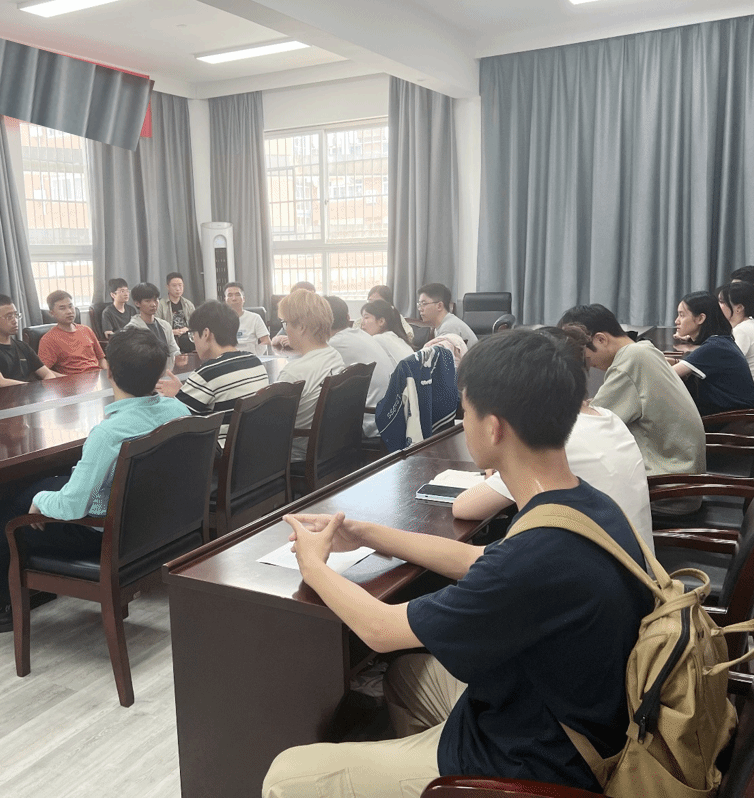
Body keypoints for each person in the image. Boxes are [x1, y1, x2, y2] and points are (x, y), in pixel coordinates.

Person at [263, 329, 650, 797]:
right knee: (406, 677)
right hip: (576, 715)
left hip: (535, 762)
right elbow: (478, 560)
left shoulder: (533, 558)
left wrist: (314, 566)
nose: (462, 423)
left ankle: (457, 784)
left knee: (286, 774)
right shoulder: (586, 505)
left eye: (465, 411)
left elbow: (380, 629)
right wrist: (364, 532)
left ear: (494, 428)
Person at [0, 329, 189, 637]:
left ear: (109, 371)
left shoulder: (109, 434)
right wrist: (40, 495)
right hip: (154, 525)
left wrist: (41, 502)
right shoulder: (177, 410)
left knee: (16, 522)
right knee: (28, 492)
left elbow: (73, 507)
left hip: (106, 534)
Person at [452, 325, 654, 552]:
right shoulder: (608, 417)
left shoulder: (551, 441)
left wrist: (501, 462)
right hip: (633, 564)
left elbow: (464, 508)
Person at [558, 304, 705, 516]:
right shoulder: (643, 350)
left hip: (666, 490)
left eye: (582, 354)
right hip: (682, 481)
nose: (585, 363)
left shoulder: (629, 362)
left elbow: (589, 425)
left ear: (600, 339)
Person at [157, 301, 269, 443]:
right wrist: (182, 392)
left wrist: (174, 397)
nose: (194, 341)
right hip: (255, 448)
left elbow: (174, 419)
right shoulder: (255, 362)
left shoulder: (207, 373)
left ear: (206, 333)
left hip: (221, 454)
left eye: (193, 334)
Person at [276, 290, 346, 459]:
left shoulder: (293, 373)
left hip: (297, 456)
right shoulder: (334, 355)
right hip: (330, 450)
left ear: (301, 327)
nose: (285, 330)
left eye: (285, 324)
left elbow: (274, 429)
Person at [672, 291, 754, 415]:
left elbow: (668, 375)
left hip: (729, 419)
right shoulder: (720, 341)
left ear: (700, 318)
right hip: (733, 414)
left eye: (682, 315)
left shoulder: (714, 347)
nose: (677, 321)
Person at [325, 296, 394, 437]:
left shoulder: (334, 344)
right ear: (348, 317)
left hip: (371, 422)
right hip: (390, 415)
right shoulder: (360, 334)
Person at [0, 294, 59, 388]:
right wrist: (32, 387)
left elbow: (47, 373)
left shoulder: (22, 346)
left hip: (30, 393)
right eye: (9, 316)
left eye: (16, 315)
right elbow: (0, 383)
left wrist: (46, 386)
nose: (15, 321)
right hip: (5, 396)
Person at [717, 281, 754, 387]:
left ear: (739, 308)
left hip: (752, 393)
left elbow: (725, 365)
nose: (718, 306)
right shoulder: (750, 324)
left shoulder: (742, 331)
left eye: (721, 302)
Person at [36, 289, 106, 375]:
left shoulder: (86, 330)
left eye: (70, 306)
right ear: (52, 313)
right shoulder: (48, 340)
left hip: (98, 376)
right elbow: (43, 371)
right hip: (75, 380)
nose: (69, 311)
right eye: (62, 308)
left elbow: (101, 359)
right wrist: (65, 379)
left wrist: (108, 375)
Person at [124, 282, 180, 367]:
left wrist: (179, 359)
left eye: (155, 300)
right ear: (137, 303)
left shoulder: (165, 325)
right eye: (147, 301)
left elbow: (174, 350)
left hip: (167, 369)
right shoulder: (132, 329)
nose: (153, 304)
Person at [417, 282, 477, 347]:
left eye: (424, 304)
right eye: (419, 304)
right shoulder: (441, 326)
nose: (420, 309)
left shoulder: (449, 328)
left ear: (439, 306)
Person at [360, 299, 415, 363]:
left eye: (366, 317)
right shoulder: (398, 339)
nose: (362, 323)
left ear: (381, 321)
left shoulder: (378, 339)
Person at [224, 282, 271, 354]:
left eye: (237, 295)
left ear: (243, 299)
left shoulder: (255, 318)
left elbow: (266, 341)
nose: (234, 298)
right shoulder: (219, 320)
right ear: (225, 299)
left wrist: (256, 355)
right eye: (230, 295)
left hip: (250, 357)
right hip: (228, 358)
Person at [157, 272, 196, 353]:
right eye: (174, 286)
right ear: (167, 287)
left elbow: (195, 324)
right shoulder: (161, 305)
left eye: (180, 285)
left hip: (186, 337)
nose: (178, 289)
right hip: (169, 338)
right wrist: (172, 331)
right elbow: (156, 326)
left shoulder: (188, 304)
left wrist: (187, 329)